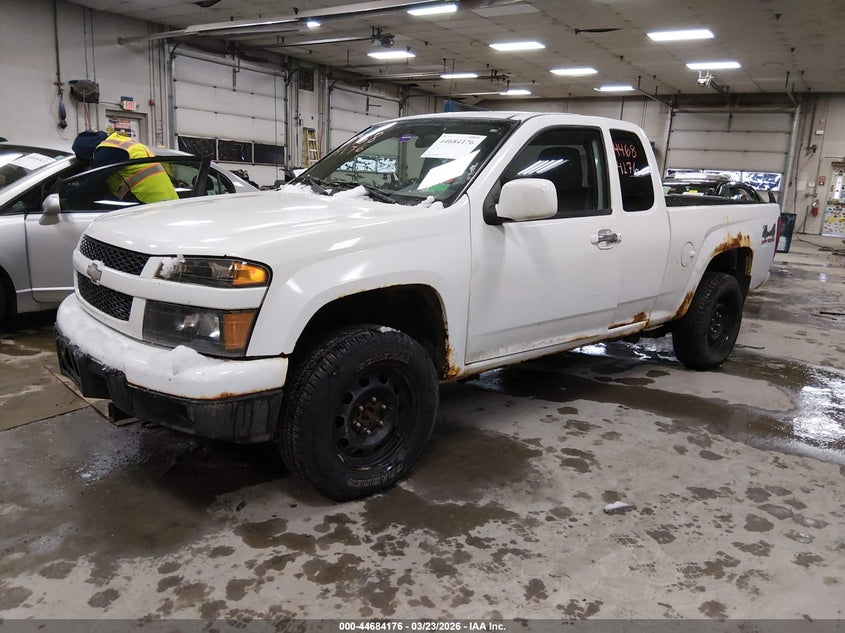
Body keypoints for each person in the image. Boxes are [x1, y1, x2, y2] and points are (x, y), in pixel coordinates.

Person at [71, 130, 178, 203]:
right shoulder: (119, 142)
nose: (90, 166)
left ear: (88, 153)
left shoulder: (108, 150)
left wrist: (68, 195)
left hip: (150, 203)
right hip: (167, 200)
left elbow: (94, 183)